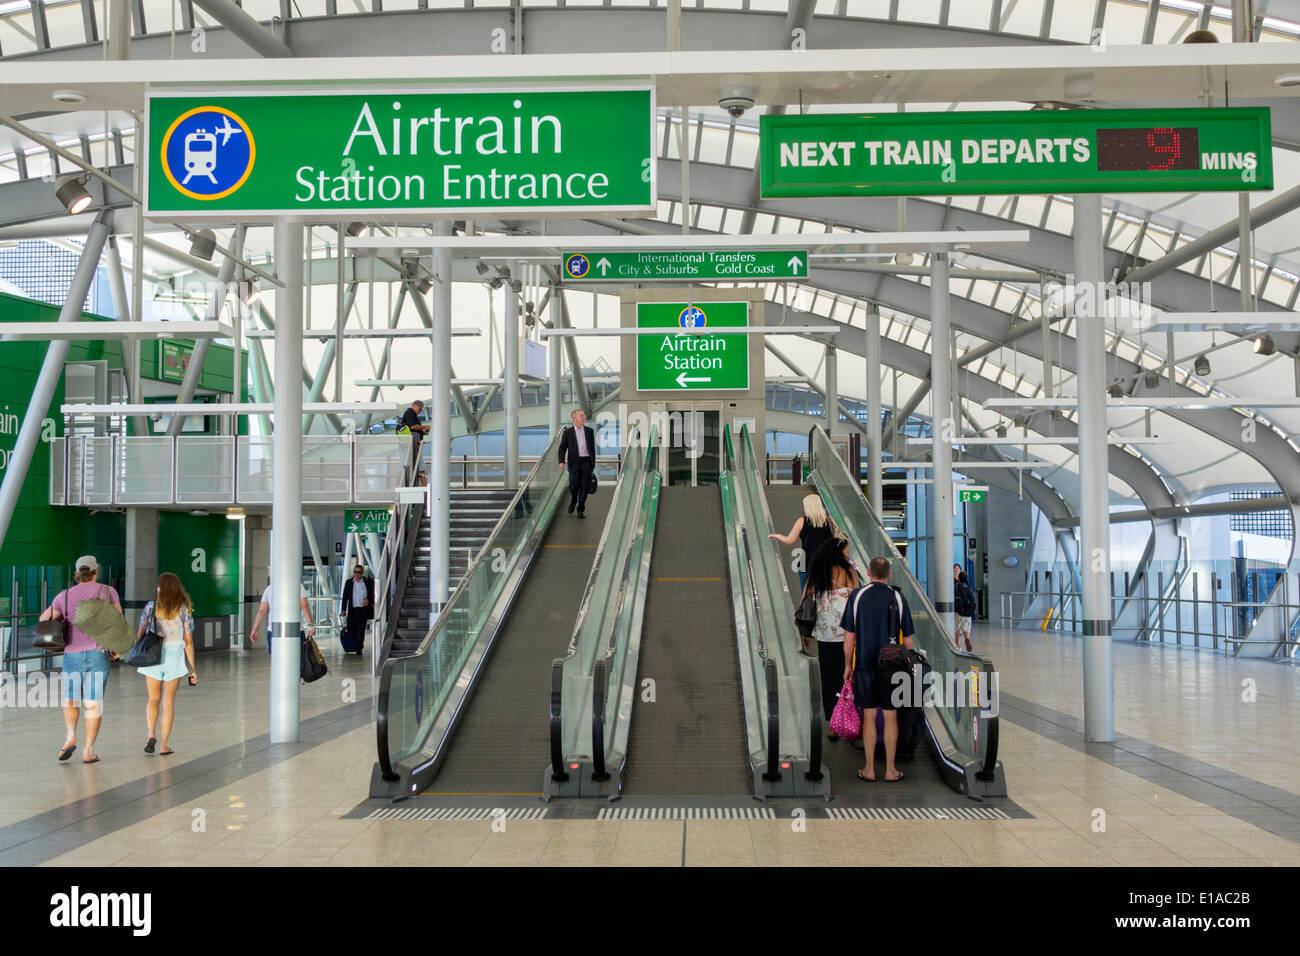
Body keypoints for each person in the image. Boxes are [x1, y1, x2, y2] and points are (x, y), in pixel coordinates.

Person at [40, 555, 121, 765]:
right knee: (93, 703)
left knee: (71, 699)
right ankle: (88, 751)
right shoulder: (107, 592)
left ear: (77, 573)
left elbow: (43, 619)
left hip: (71, 654)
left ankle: (70, 737)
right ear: (96, 571)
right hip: (97, 653)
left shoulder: (64, 596)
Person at [840, 556, 915, 783]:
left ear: (869, 573)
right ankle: (891, 770)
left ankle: (869, 769)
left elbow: (849, 637)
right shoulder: (898, 597)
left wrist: (847, 665)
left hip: (864, 664)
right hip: (892, 666)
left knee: (869, 715)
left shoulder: (857, 595)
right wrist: (909, 668)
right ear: (889, 574)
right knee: (890, 716)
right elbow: (909, 641)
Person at [803, 536, 859, 738]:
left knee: (828, 679)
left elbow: (805, 601)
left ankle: (834, 724)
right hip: (847, 634)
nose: (848, 553)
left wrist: (804, 631)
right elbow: (856, 599)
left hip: (825, 635)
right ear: (839, 552)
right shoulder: (848, 572)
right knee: (849, 675)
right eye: (846, 550)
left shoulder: (817, 573)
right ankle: (852, 717)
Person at [136, 573, 197, 756]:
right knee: (168, 701)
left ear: (161, 588)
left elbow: (141, 631)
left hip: (153, 655)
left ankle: (150, 734)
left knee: (153, 698)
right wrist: (192, 669)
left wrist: (136, 649)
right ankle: (163, 745)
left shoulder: (151, 607)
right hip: (174, 657)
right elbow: (188, 642)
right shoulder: (184, 609)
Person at [769, 493, 838, 592]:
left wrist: (777, 536)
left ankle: (806, 606)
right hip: (826, 563)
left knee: (806, 593)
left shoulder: (802, 521)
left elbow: (789, 540)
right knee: (825, 592)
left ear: (808, 506)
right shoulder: (830, 521)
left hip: (806, 563)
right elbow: (835, 541)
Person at [247, 578, 315, 654]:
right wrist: (310, 625)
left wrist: (255, 629)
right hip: (295, 629)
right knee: (298, 658)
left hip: (273, 630)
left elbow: (261, 611)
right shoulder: (298, 586)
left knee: (276, 660)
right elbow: (304, 605)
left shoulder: (269, 588)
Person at [557, 408, 596, 519]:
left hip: (586, 462)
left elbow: (592, 448)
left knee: (584, 487)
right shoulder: (568, 432)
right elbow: (562, 448)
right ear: (574, 418)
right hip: (574, 463)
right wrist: (561, 461)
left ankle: (580, 509)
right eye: (581, 416)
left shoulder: (589, 431)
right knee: (573, 486)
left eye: (583, 415)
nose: (584, 417)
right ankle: (574, 501)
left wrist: (593, 463)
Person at [339, 564, 374, 656]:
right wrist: (343, 610)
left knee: (361, 630)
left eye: (359, 572)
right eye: (355, 572)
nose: (357, 574)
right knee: (351, 629)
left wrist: (369, 601)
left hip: (363, 610)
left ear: (362, 573)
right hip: (352, 610)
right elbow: (345, 597)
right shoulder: (349, 582)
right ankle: (355, 645)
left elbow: (373, 594)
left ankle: (359, 648)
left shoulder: (367, 582)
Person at [955, 570, 976, 653]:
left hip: (958, 612)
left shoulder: (957, 587)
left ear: (959, 579)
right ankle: (967, 639)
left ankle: (958, 645)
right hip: (967, 613)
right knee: (966, 628)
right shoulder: (969, 588)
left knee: (957, 629)